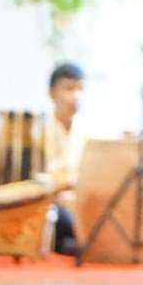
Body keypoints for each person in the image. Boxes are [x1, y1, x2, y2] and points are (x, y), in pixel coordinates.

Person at [41, 61, 87, 255]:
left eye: (80, 89)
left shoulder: (88, 132)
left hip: (80, 206)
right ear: (52, 93)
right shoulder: (40, 130)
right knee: (61, 218)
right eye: (68, 89)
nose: (76, 96)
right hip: (53, 205)